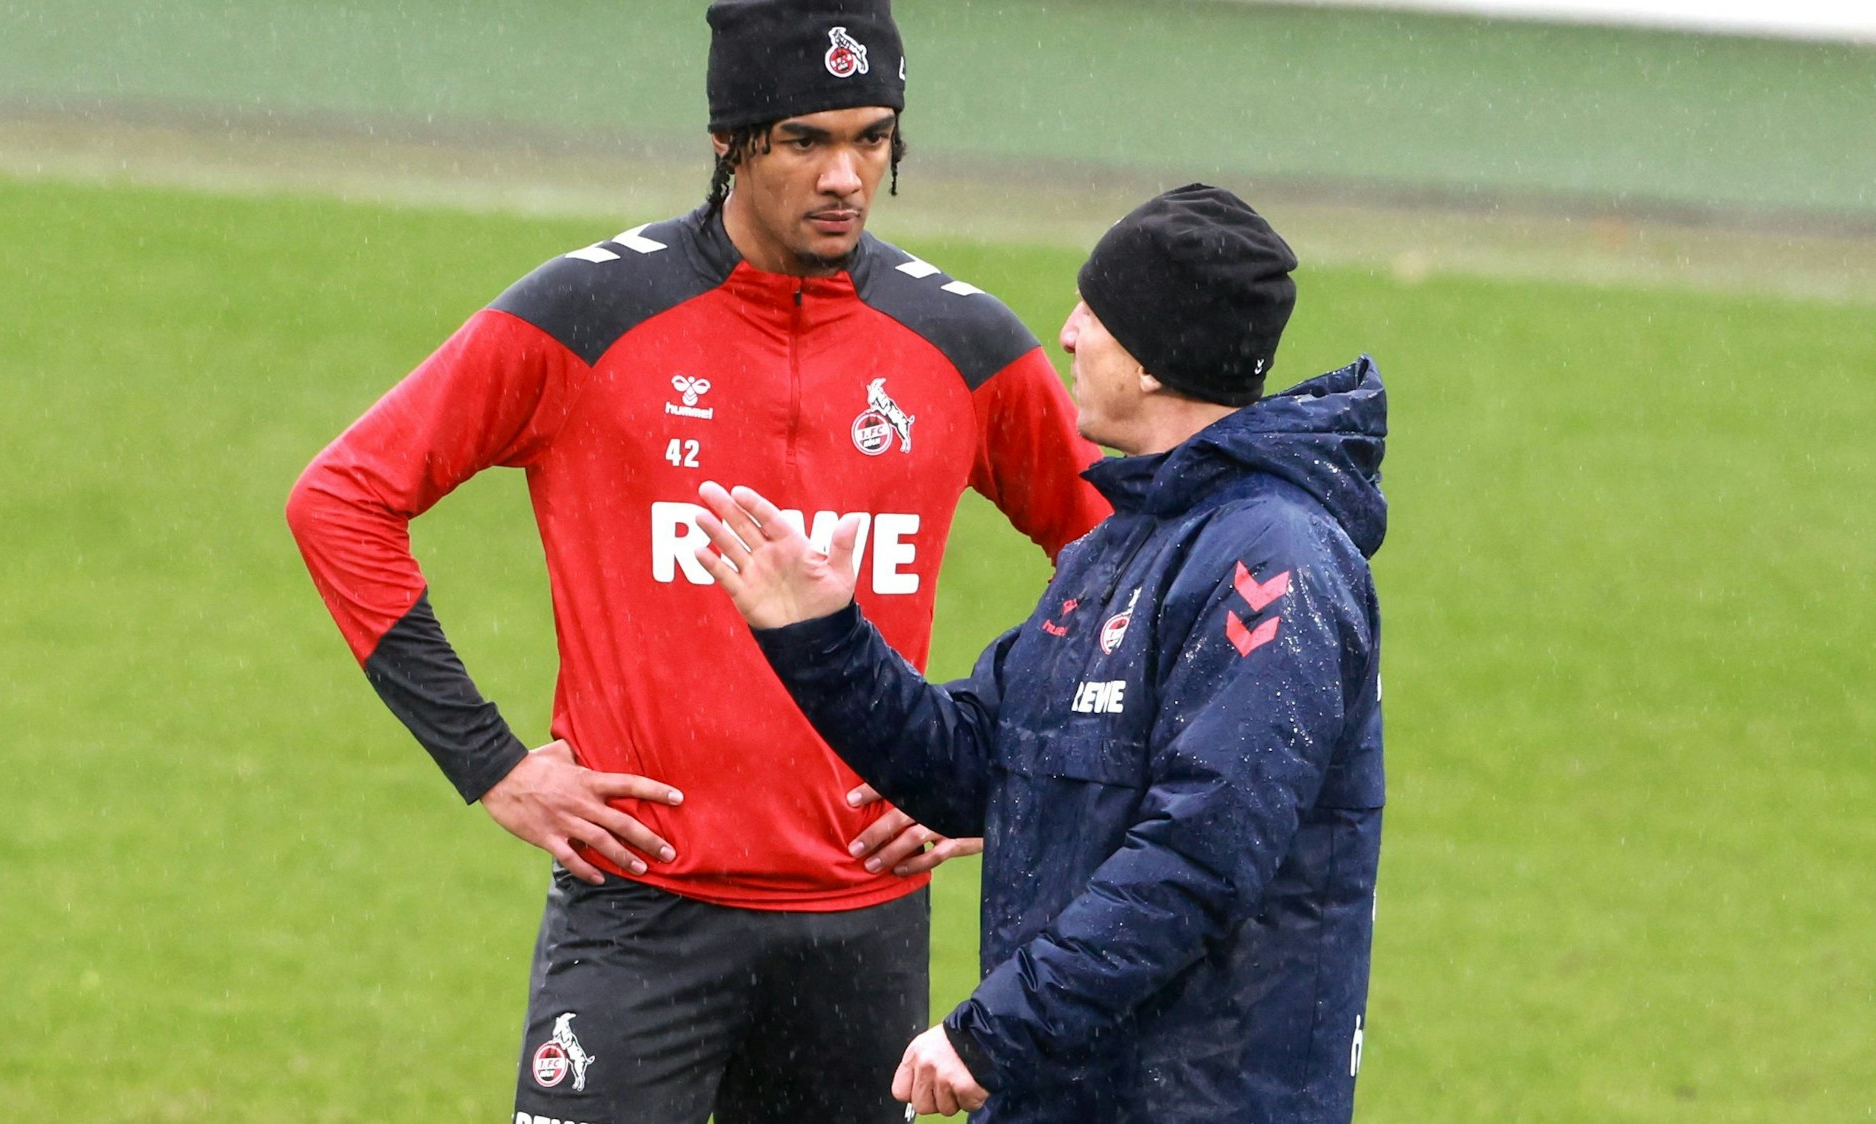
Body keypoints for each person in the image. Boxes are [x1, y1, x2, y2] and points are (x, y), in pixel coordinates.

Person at [284, 0, 1109, 1120]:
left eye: (872, 137)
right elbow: (343, 498)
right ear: (729, 143)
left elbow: (1128, 570)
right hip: (637, 922)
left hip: (860, 933)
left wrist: (993, 772)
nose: (845, 176)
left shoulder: (963, 346)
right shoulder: (588, 313)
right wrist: (487, 759)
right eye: (806, 139)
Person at [694, 184, 1387, 1122]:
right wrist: (818, 635)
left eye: (1093, 315)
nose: (1065, 334)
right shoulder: (1116, 547)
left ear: (1152, 361)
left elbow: (1200, 855)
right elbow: (974, 768)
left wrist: (996, 1032)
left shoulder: (1277, 564)